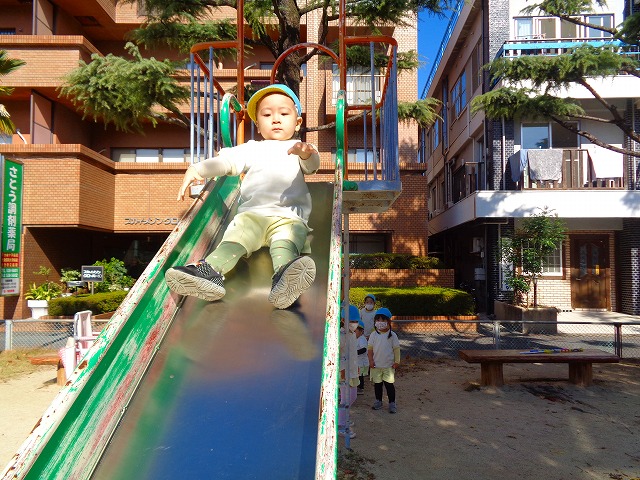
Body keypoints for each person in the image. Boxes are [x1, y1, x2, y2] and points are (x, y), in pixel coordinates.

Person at [165, 84, 319, 309]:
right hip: (251, 216)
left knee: (285, 244)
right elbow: (227, 162)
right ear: (258, 125)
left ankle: (285, 278)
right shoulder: (252, 148)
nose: (276, 119)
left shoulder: (300, 147)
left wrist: (305, 154)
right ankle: (209, 272)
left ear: (297, 122)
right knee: (233, 241)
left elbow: (312, 166)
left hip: (288, 217)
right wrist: (198, 169)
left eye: (284, 113)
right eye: (267, 115)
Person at [368, 307, 400, 414]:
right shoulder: (373, 335)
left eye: (383, 320)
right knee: (377, 385)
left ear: (388, 321)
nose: (380, 322)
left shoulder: (393, 336)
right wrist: (370, 361)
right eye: (378, 320)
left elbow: (396, 349)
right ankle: (378, 401)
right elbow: (370, 349)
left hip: (388, 366)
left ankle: (392, 403)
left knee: (389, 385)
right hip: (376, 366)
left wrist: (397, 361)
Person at [339, 304, 360, 439]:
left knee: (353, 396)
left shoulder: (352, 334)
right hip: (344, 372)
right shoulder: (341, 335)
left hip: (352, 371)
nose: (354, 324)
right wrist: (341, 370)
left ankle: (343, 417)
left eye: (356, 321)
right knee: (346, 399)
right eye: (351, 321)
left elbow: (353, 353)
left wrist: (356, 367)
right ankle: (341, 425)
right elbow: (336, 354)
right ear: (343, 320)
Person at [355, 320, 368, 394]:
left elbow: (364, 349)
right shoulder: (355, 338)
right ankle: (357, 387)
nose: (354, 333)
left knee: (360, 375)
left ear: (361, 331)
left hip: (361, 361)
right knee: (357, 374)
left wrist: (355, 353)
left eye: (356, 331)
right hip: (357, 361)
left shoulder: (362, 339)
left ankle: (361, 388)